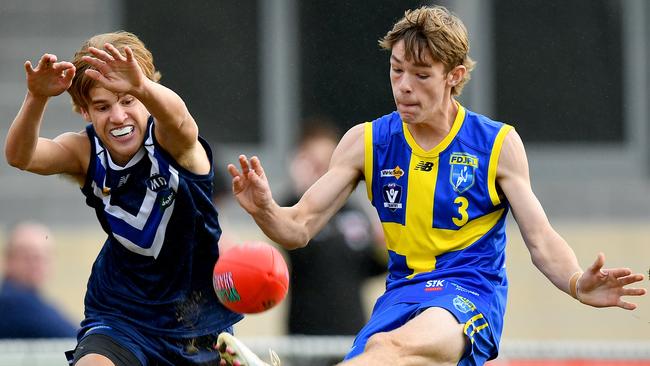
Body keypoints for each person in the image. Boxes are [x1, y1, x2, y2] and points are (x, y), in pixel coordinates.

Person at [217, 5, 647, 366]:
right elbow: (298, 229)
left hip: (469, 291)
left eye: (421, 75)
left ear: (454, 76)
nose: (404, 86)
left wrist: (574, 281)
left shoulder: (496, 144)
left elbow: (541, 239)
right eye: (396, 70)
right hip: (401, 293)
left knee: (387, 349)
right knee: (370, 356)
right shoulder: (366, 142)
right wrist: (265, 209)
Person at [4, 31, 243, 365]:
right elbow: (21, 156)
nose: (117, 117)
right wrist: (36, 98)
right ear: (85, 111)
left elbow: (181, 120)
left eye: (128, 99)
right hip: (121, 316)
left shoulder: (173, 141)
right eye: (102, 107)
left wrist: (141, 85)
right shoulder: (86, 152)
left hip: (195, 324)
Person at [281, 119, 385, 338]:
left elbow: (369, 267)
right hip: (306, 334)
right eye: (316, 163)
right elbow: (297, 251)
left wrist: (385, 249)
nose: (324, 171)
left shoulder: (353, 210)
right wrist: (304, 190)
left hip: (351, 329)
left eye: (328, 162)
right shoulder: (292, 207)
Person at [0, 221, 77, 338]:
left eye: (44, 255)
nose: (36, 263)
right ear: (8, 259)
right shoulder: (13, 302)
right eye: (27, 255)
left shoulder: (35, 299)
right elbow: (76, 338)